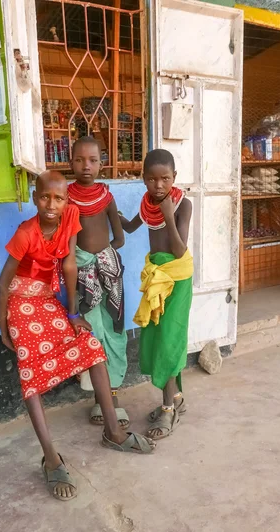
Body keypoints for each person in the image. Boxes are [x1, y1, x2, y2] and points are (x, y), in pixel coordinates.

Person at [0, 170, 155, 502]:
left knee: (91, 345)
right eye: (44, 197)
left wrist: (72, 314)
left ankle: (112, 431)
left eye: (58, 198)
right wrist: (4, 330)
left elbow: (69, 266)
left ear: (67, 200)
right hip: (21, 303)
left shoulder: (69, 217)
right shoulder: (26, 233)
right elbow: (1, 285)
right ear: (34, 198)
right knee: (30, 373)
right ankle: (51, 459)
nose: (51, 204)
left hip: (48, 301)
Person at [119, 149, 193, 441]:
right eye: (151, 179)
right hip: (155, 275)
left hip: (176, 278)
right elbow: (132, 226)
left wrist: (169, 217)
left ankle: (167, 408)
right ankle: (175, 399)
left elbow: (178, 249)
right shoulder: (148, 203)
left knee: (169, 340)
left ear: (174, 177)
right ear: (143, 179)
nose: (158, 185)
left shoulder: (182, 204)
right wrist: (113, 215)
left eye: (164, 178)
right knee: (154, 335)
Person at [67, 137, 129, 429]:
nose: (86, 166)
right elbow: (65, 244)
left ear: (101, 164)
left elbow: (119, 237)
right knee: (91, 335)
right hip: (82, 277)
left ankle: (113, 396)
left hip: (108, 275)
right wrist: (84, 261)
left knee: (115, 330)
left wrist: (105, 259)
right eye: (79, 160)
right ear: (70, 163)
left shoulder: (106, 196)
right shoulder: (66, 198)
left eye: (92, 160)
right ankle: (97, 400)